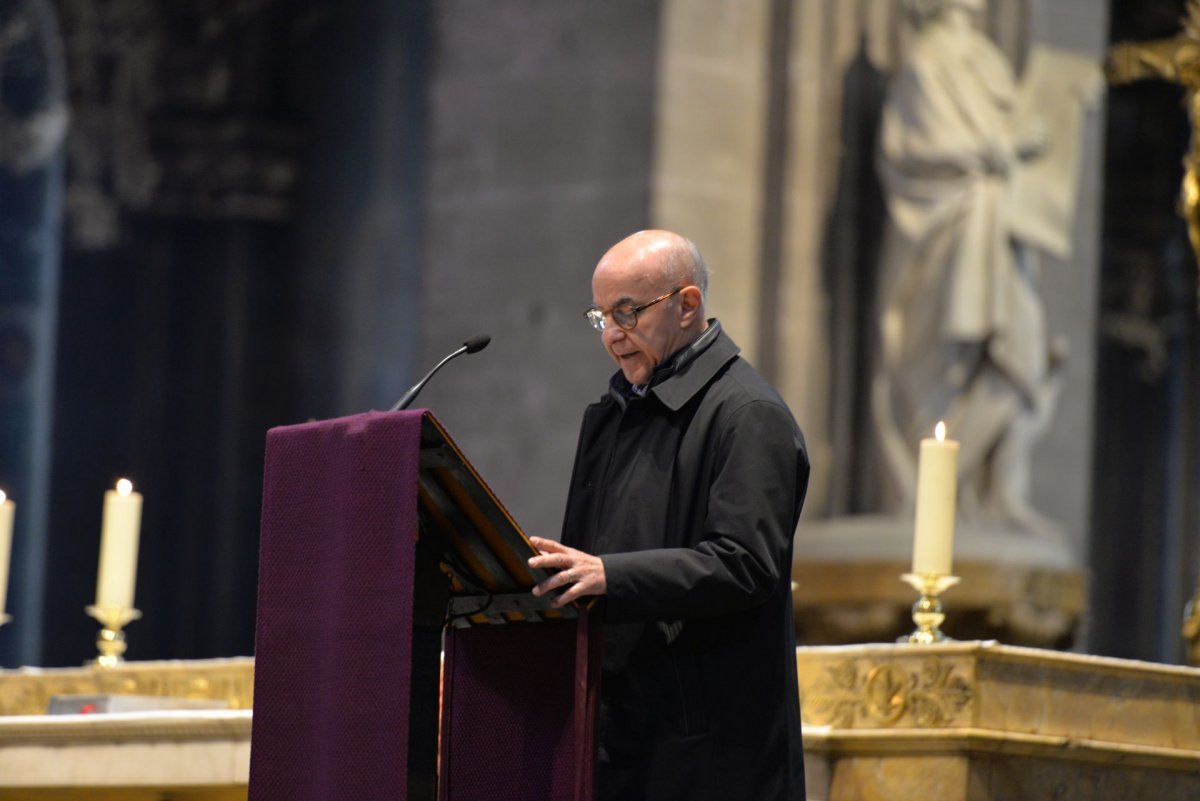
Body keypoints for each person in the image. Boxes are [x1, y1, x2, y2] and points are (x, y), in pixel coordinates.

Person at [527, 230, 810, 801]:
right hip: (618, 735)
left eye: (627, 312)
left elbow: (746, 564)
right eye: (601, 315)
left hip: (706, 756)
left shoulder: (749, 415)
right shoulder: (615, 414)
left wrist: (610, 576)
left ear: (687, 305)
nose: (611, 335)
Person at [873, 0, 1063, 534]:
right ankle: (930, 495)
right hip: (950, 230)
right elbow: (917, 147)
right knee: (950, 362)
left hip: (999, 229)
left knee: (1019, 361)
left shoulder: (987, 59)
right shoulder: (929, 57)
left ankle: (999, 492)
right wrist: (1005, 147)